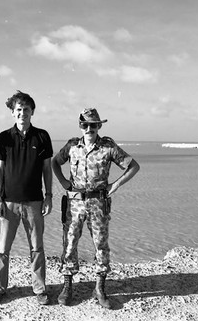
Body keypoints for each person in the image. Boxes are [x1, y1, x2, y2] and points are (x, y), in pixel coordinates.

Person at [52, 108, 140, 308]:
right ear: (80, 126)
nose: (89, 128)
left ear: (99, 126)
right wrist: (63, 181)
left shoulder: (108, 147)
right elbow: (55, 163)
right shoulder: (72, 146)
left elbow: (133, 166)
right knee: (70, 242)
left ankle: (99, 287)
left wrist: (115, 185)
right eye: (85, 124)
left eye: (93, 125)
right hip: (74, 204)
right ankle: (67, 286)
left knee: (101, 244)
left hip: (99, 203)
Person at [0, 90, 53, 305]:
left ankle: (40, 288)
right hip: (8, 202)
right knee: (2, 248)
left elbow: (47, 169)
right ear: (12, 112)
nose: (22, 113)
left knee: (37, 247)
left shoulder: (42, 136)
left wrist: (49, 196)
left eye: (26, 109)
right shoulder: (4, 137)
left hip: (35, 201)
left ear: (32, 111)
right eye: (18, 110)